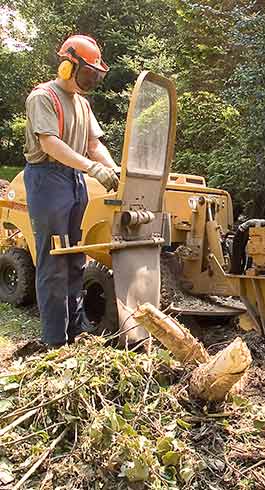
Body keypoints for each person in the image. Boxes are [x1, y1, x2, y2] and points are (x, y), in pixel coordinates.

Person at [23, 34, 118, 348]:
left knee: (76, 258)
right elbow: (50, 143)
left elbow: (93, 145)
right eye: (87, 72)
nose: (90, 79)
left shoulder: (83, 104)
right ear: (67, 66)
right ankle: (54, 340)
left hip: (74, 181)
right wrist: (92, 168)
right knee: (54, 260)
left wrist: (113, 168)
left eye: (95, 75)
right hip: (47, 180)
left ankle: (75, 333)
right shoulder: (43, 96)